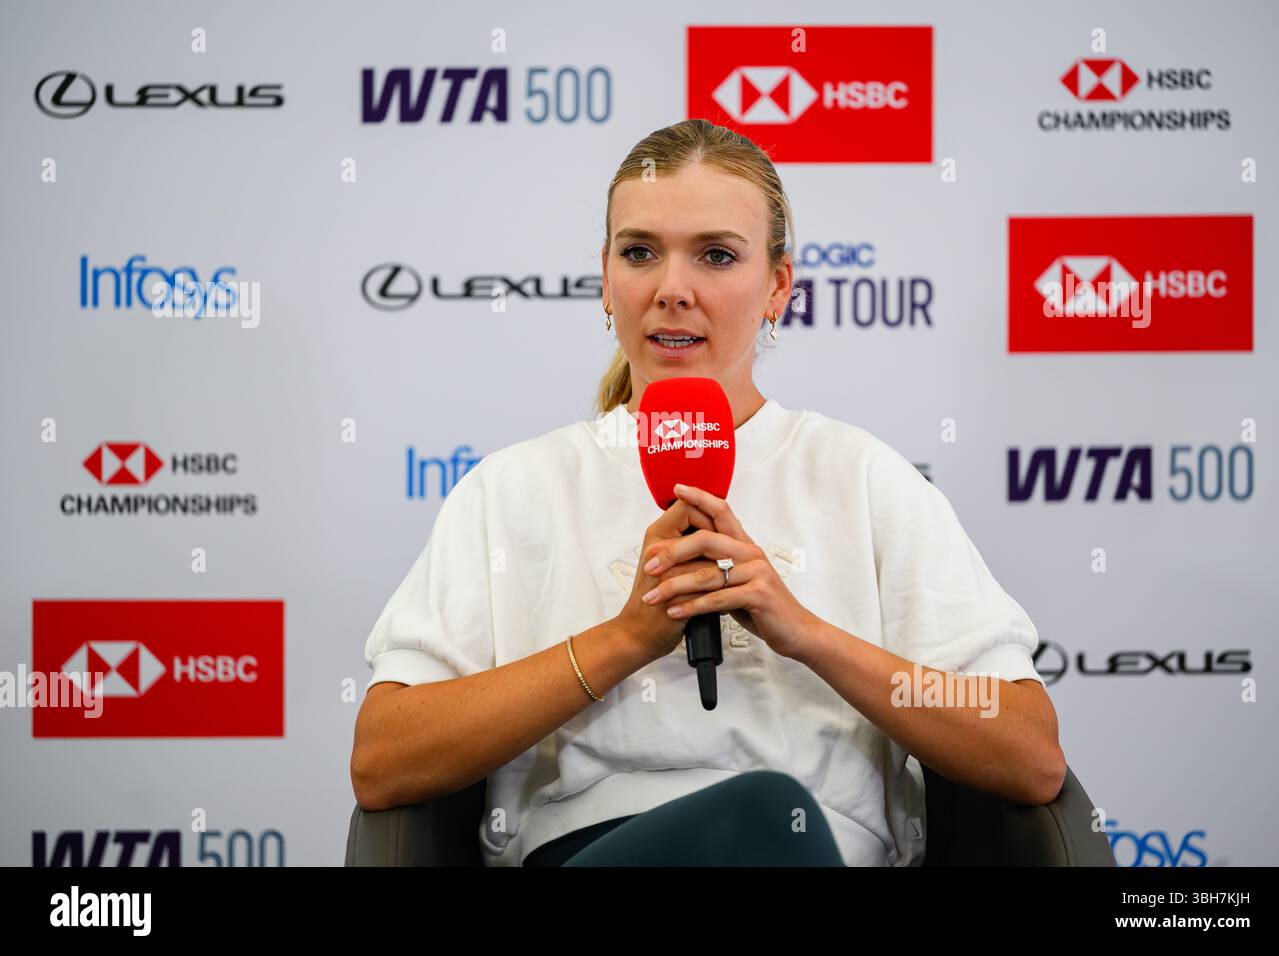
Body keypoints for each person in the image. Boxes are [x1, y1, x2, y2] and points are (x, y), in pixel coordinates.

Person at [349, 118, 1065, 867]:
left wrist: (803, 632)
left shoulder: (863, 477)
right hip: (590, 851)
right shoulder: (513, 488)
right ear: (605, 281)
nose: (672, 290)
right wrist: (625, 640)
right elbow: (384, 760)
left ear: (777, 287)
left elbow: (1027, 752)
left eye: (716, 256)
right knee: (759, 813)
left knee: (769, 815)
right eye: (639, 254)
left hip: (818, 847)